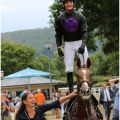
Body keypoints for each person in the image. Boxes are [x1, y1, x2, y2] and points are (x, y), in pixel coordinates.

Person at [55, 0, 89, 92]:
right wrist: (59, 47)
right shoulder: (60, 18)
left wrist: (83, 44)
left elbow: (85, 31)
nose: (69, 4)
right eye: (67, 3)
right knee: (68, 67)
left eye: (70, 2)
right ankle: (71, 90)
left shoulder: (80, 16)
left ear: (73, 3)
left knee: (85, 64)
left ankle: (88, 86)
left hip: (80, 42)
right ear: (64, 5)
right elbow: (58, 34)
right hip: (68, 44)